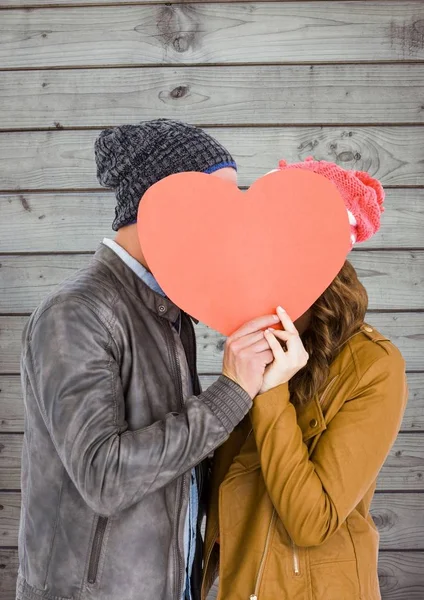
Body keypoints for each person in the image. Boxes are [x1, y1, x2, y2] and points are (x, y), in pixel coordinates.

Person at [17, 119, 279, 600]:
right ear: (161, 206)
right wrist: (230, 394)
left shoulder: (170, 311)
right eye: (214, 207)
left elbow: (180, 457)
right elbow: (105, 477)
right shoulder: (76, 313)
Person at [202, 158, 408, 600]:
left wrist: (273, 391)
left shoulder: (374, 366)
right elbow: (221, 488)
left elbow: (311, 521)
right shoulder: (255, 338)